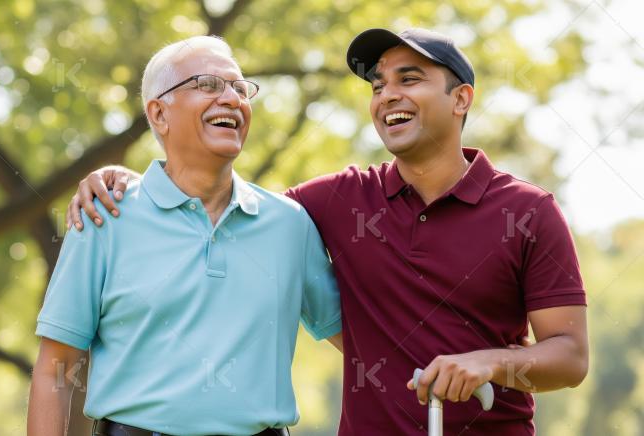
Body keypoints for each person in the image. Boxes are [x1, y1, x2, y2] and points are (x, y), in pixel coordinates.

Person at [67, 28, 589, 435]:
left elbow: (569, 356)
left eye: (409, 79)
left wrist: (490, 364)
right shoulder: (336, 201)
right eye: (378, 84)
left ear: (461, 99)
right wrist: (134, 182)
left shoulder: (528, 211)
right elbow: (225, 204)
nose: (387, 95)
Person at [27, 36, 344, 436]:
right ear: (159, 114)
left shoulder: (290, 225)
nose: (231, 98)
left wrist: (448, 359)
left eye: (239, 88)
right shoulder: (104, 216)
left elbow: (362, 342)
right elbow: (55, 369)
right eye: (209, 85)